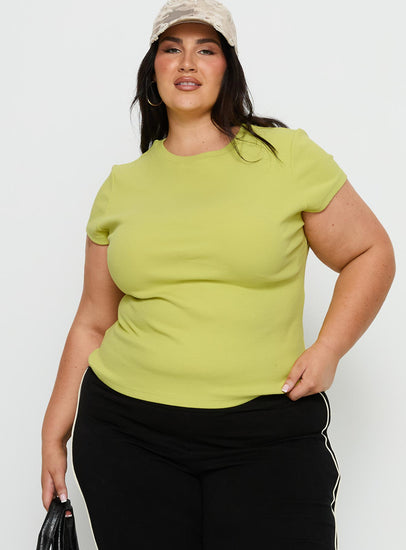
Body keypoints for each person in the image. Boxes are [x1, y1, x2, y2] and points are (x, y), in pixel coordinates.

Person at [40, 1, 396, 548]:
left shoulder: (286, 157)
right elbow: (93, 320)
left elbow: (371, 252)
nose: (188, 62)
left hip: (266, 434)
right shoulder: (121, 186)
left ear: (228, 68)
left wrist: (329, 349)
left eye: (206, 49)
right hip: (127, 434)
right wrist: (54, 430)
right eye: (172, 49)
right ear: (153, 71)